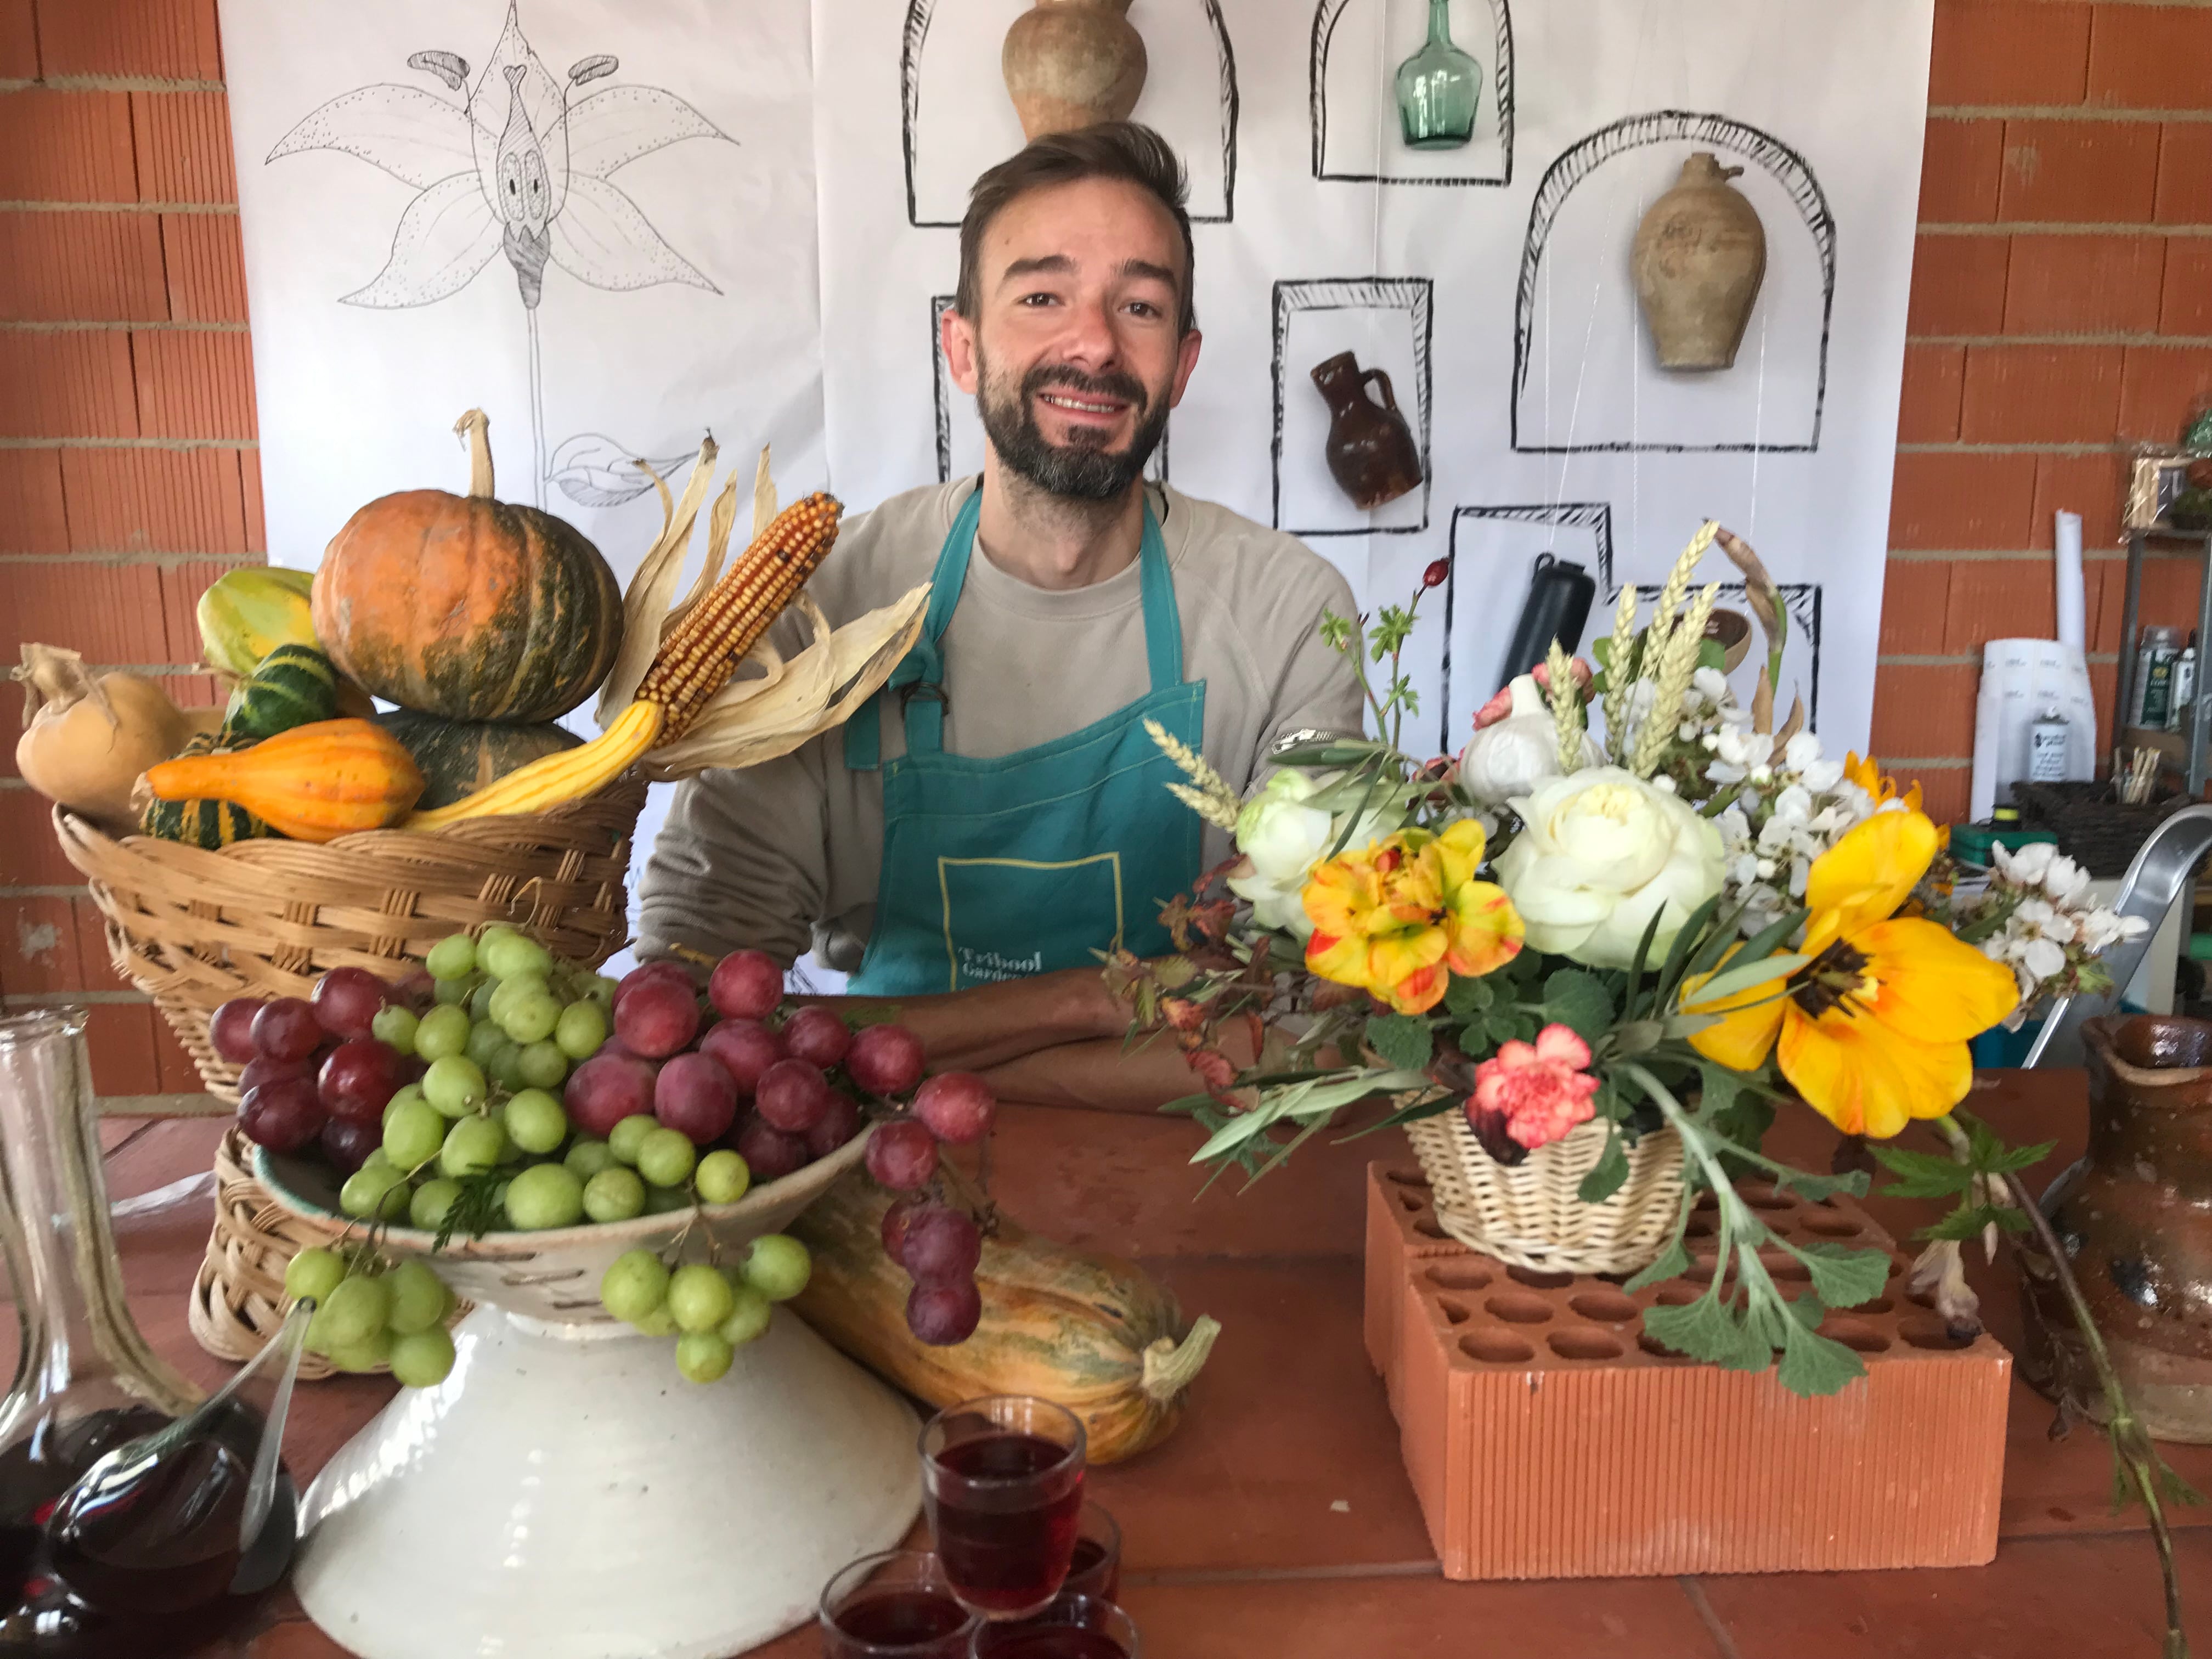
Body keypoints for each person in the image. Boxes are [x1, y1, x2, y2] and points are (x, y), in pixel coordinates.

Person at [638, 123, 1362, 1113]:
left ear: (1182, 365)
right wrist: (1085, 1003)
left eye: (1139, 305)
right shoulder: (825, 614)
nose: (1096, 343)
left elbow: (1299, 1017)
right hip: (873, 1169)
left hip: (1178, 1170)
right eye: (1042, 296)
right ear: (964, 347)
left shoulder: (1288, 613)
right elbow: (698, 1016)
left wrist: (914, 1057)